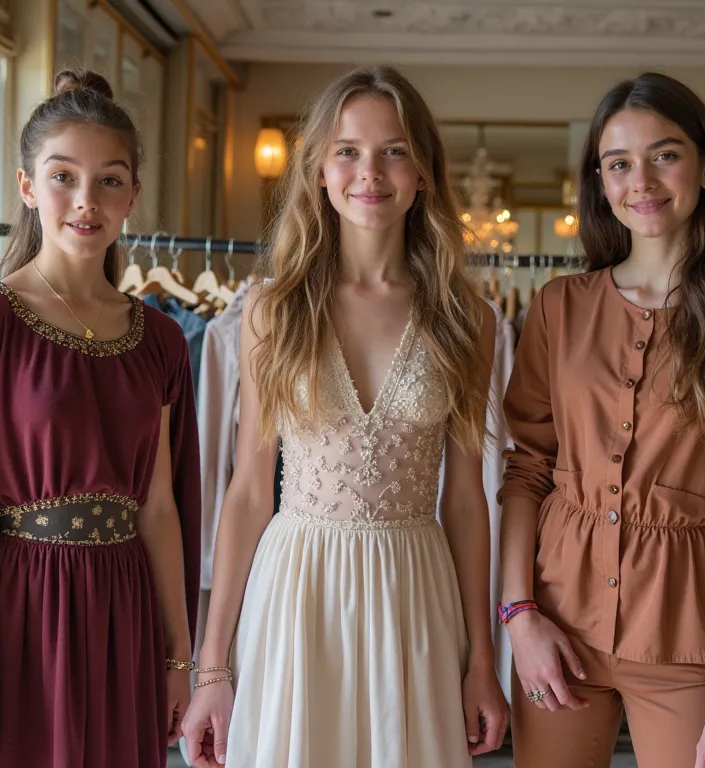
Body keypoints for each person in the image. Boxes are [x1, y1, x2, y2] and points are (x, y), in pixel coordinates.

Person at [181, 65, 509, 767]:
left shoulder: (466, 320)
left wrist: (484, 659)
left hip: (413, 590)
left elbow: (467, 502)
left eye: (394, 149)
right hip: (297, 592)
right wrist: (211, 667)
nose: (371, 172)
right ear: (320, 172)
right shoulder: (272, 310)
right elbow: (246, 490)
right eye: (348, 151)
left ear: (423, 171)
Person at [497, 72, 705, 768]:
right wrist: (518, 618)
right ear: (601, 183)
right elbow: (527, 470)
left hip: (687, 639)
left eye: (664, 154)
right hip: (557, 628)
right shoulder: (558, 306)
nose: (642, 179)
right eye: (618, 163)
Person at [0, 68, 201, 768]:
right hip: (22, 611)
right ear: (28, 187)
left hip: (125, 612)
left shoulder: (159, 338)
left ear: (132, 195)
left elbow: (159, 507)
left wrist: (179, 656)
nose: (85, 201)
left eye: (109, 179)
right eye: (63, 176)